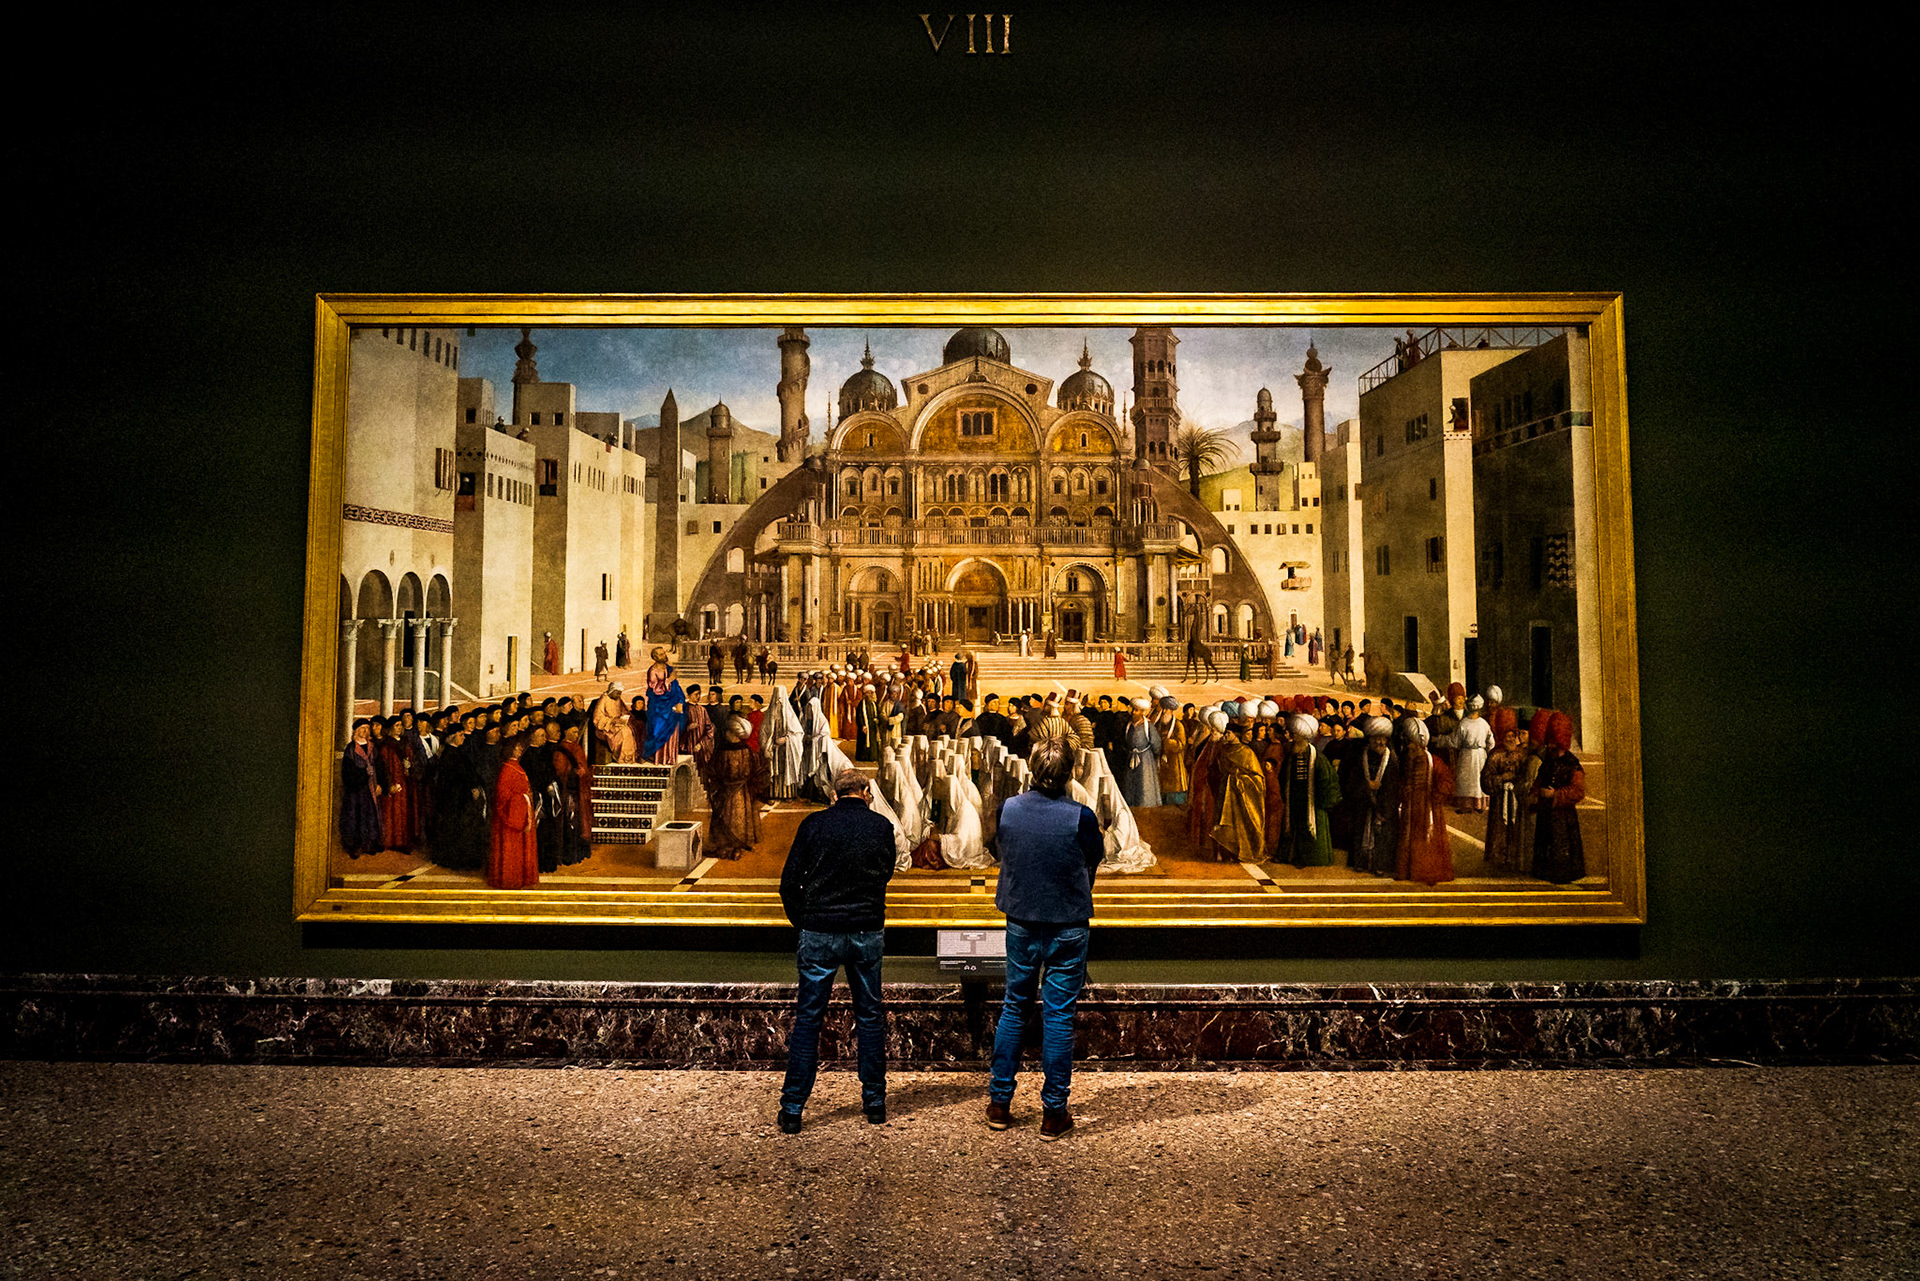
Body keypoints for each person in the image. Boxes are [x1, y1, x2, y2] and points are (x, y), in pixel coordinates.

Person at [986, 744, 1104, 1140]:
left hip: (1021, 919)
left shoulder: (1008, 809)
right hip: (1067, 922)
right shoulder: (1080, 816)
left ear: (1032, 770)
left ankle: (999, 1103)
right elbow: (1093, 858)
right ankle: (1053, 1112)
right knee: (1058, 1017)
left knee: (1014, 1008)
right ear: (1070, 773)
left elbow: (999, 849)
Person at [777, 767, 900, 1132]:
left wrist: (805, 921)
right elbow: (885, 873)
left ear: (834, 795)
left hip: (820, 929)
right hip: (865, 929)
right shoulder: (881, 827)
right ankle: (875, 1103)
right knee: (870, 1017)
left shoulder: (813, 825)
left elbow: (789, 882)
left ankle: (793, 1108)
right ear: (866, 793)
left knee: (809, 1018)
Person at [1277, 713, 1342, 867]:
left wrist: (1321, 798)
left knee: (1311, 827)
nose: (1294, 738)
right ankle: (1292, 856)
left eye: (1297, 735)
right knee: (1294, 826)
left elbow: (1327, 780)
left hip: (1313, 800)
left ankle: (1312, 858)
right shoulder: (1291, 755)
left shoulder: (1317, 758)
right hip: (1295, 798)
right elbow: (1283, 776)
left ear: (1304, 736)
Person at [1531, 712, 1587, 884]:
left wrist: (1554, 794)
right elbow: (1538, 781)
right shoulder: (1548, 760)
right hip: (1546, 814)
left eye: (1553, 741)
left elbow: (1578, 791)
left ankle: (1563, 874)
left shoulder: (1572, 764)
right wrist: (1536, 792)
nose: (1549, 745)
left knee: (1562, 844)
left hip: (1564, 817)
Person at [703, 715, 770, 859]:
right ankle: (733, 848)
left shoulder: (722, 752)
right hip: (741, 793)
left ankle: (731, 848)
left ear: (733, 733)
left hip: (727, 791)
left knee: (727, 818)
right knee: (738, 819)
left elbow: (713, 770)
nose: (726, 734)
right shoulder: (748, 751)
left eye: (728, 731)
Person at [1480, 706, 1532, 874]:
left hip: (1516, 799)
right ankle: (1498, 858)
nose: (1510, 739)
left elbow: (1526, 776)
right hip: (1499, 801)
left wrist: (1515, 780)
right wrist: (1501, 779)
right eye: (1507, 736)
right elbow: (1485, 780)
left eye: (1512, 735)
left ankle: (1515, 858)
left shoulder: (1522, 754)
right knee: (1499, 829)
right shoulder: (1495, 755)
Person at [486, 733, 538, 889]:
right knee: (511, 848)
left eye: (520, 746)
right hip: (511, 818)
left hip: (521, 814)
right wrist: (524, 798)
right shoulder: (508, 769)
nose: (520, 749)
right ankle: (510, 879)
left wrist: (525, 797)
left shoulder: (515, 766)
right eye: (517, 747)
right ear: (510, 749)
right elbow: (502, 796)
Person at [339, 720, 383, 857]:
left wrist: (379, 784)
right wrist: (364, 774)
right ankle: (354, 847)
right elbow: (347, 772)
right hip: (355, 790)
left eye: (367, 728)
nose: (365, 731)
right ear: (356, 730)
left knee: (370, 816)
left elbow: (380, 767)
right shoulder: (351, 749)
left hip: (370, 788)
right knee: (355, 817)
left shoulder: (372, 747)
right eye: (362, 728)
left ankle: (369, 844)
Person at [642, 648, 687, 764]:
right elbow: (656, 689)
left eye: (664, 653)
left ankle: (669, 756)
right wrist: (669, 680)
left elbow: (675, 686)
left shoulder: (668, 668)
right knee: (657, 730)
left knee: (672, 728)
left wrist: (679, 700)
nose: (664, 655)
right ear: (655, 657)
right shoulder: (653, 671)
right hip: (658, 705)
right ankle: (655, 755)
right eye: (661, 654)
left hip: (671, 703)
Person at [1118, 698, 1163, 808]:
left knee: (1144, 782)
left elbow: (1156, 743)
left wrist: (1155, 754)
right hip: (1131, 757)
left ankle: (1145, 805)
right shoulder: (1129, 725)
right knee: (1130, 782)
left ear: (1142, 712)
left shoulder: (1148, 726)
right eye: (1133, 709)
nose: (1133, 712)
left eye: (1136, 710)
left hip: (1145, 758)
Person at [1452, 695, 1493, 812]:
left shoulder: (1463, 723)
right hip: (1481, 755)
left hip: (1467, 754)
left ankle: (1468, 805)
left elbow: (1456, 742)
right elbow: (1491, 742)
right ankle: (1480, 805)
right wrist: (1487, 752)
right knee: (1476, 779)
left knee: (1468, 780)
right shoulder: (1484, 723)